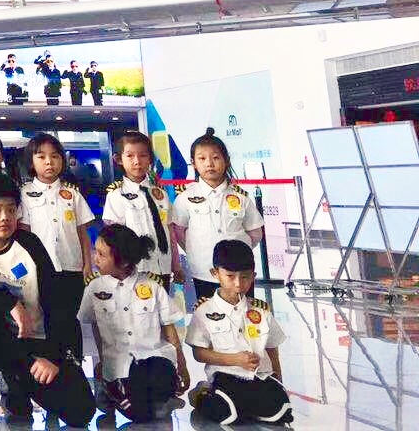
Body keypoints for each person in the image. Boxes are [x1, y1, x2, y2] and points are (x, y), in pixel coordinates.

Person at [0, 172, 96, 429]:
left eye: (11, 209)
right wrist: (10, 303)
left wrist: (55, 357)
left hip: (33, 343)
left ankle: (19, 382)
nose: (5, 217)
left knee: (80, 411)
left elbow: (57, 306)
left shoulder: (29, 245)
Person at [78, 223, 189, 423]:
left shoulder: (152, 286)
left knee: (160, 376)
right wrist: (101, 364)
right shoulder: (94, 288)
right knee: (139, 413)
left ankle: (149, 398)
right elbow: (94, 328)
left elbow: (169, 328)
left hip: (153, 359)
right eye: (96, 251)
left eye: (102, 255)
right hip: (119, 364)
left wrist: (182, 366)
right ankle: (117, 392)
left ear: (123, 262)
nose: (95, 259)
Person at [186, 239, 292, 425]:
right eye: (230, 276)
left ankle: (246, 405)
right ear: (215, 273)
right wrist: (235, 360)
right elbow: (199, 353)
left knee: (281, 411)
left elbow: (272, 348)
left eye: (245, 277)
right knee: (227, 415)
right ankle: (202, 394)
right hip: (226, 376)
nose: (238, 284)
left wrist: (278, 380)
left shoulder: (261, 309)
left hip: (259, 376)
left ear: (253, 276)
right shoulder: (204, 311)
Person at [18, 132, 94, 361]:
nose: (49, 162)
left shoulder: (72, 194)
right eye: (41, 157)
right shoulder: (24, 194)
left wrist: (87, 265)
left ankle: (74, 362)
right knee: (47, 317)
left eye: (55, 156)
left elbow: (82, 233)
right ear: (31, 161)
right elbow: (23, 234)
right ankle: (51, 362)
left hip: (71, 267)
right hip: (39, 269)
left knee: (71, 317)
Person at [171, 129, 264, 302]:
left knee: (244, 312)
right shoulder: (185, 197)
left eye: (215, 158)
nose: (209, 164)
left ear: (226, 161)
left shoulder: (240, 197)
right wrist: (195, 249)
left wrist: (237, 252)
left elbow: (255, 233)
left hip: (239, 273)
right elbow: (178, 232)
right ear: (193, 163)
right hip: (203, 270)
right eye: (202, 159)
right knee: (207, 313)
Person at [102, 130, 178, 284]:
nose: (137, 161)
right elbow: (113, 238)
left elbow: (170, 231)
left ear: (150, 159)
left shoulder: (161, 194)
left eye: (143, 155)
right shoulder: (116, 196)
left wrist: (176, 265)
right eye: (130, 156)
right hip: (135, 270)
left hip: (163, 266)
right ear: (119, 159)